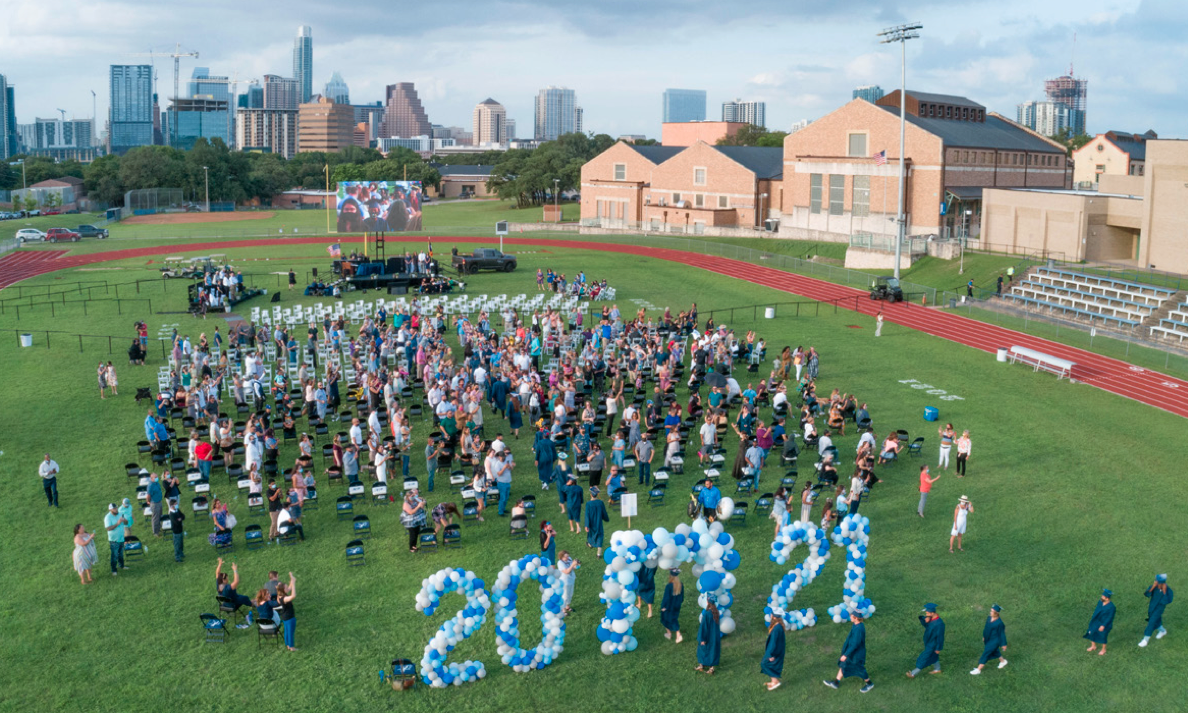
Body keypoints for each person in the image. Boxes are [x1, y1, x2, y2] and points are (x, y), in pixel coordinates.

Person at [823, 611, 873, 693]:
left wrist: (846, 654)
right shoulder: (856, 625)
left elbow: (855, 644)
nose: (850, 617)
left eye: (851, 616)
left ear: (856, 618)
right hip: (852, 652)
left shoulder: (859, 629)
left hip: (857, 654)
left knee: (860, 669)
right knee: (844, 664)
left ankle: (869, 683)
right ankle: (836, 683)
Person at [907, 603, 945, 677]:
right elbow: (927, 626)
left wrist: (938, 648)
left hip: (933, 644)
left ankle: (912, 673)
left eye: (927, 612)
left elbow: (940, 637)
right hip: (928, 642)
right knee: (933, 656)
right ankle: (937, 669)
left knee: (924, 658)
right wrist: (925, 620)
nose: (926, 613)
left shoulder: (939, 624)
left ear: (932, 613)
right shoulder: (930, 619)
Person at [215, 558, 254, 628]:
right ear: (223, 580)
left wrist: (220, 564)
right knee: (245, 598)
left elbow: (217, 573)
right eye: (227, 578)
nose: (228, 579)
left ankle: (253, 601)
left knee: (242, 597)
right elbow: (236, 581)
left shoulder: (218, 584)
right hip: (233, 604)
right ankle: (253, 604)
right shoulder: (227, 588)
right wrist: (235, 570)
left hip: (225, 605)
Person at [971, 604, 1008, 674]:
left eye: (992, 611)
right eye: (991, 611)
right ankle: (1003, 661)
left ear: (996, 613)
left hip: (995, 640)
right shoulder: (989, 618)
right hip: (988, 639)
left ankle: (978, 669)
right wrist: (984, 636)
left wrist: (1004, 644)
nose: (990, 612)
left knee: (986, 652)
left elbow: (1002, 634)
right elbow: (986, 628)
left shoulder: (999, 623)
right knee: (994, 651)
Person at [1140, 574, 1174, 647]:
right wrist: (1152, 587)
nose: (1155, 582)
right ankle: (1162, 631)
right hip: (1152, 607)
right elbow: (1147, 594)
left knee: (1152, 622)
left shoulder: (1168, 590)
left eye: (1156, 581)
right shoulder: (1154, 587)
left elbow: (1166, 601)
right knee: (1156, 620)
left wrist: (1164, 592)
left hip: (1159, 608)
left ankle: (1146, 639)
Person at [1084, 589, 1116, 655]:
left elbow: (1109, 617)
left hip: (1104, 623)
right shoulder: (1100, 602)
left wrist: (1103, 625)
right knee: (1092, 632)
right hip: (1096, 621)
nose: (1101, 598)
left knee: (1103, 636)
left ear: (1107, 598)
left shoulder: (1112, 607)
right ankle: (1093, 646)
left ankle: (1103, 650)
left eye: (1103, 597)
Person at [761, 611, 786, 691]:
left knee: (765, 663)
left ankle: (775, 682)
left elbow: (773, 642)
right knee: (771, 664)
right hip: (777, 650)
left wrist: (770, 655)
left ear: (773, 616)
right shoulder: (778, 625)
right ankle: (773, 681)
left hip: (774, 651)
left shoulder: (776, 629)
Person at [695, 601, 722, 674]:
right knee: (713, 651)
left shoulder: (707, 614)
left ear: (707, 602)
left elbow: (704, 627)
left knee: (702, 650)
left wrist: (702, 638)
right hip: (714, 636)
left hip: (707, 636)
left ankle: (701, 665)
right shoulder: (716, 613)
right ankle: (711, 668)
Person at [584, 487, 610, 556]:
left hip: (591, 523)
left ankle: (590, 544)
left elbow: (587, 515)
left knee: (591, 534)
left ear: (591, 495)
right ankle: (599, 553)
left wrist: (586, 525)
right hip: (598, 522)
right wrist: (606, 518)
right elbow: (604, 512)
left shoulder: (588, 504)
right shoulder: (600, 502)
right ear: (597, 494)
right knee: (599, 535)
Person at [660, 569, 685, 643]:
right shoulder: (680, 584)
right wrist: (679, 603)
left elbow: (666, 598)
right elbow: (682, 597)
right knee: (674, 618)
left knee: (665, 619)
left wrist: (663, 606)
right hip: (676, 606)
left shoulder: (669, 586)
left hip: (669, 606)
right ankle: (670, 633)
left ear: (670, 576)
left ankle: (677, 634)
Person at [103, 503, 127, 576]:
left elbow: (126, 523)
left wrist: (125, 520)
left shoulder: (120, 514)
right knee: (114, 555)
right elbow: (108, 528)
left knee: (121, 554)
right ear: (110, 509)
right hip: (114, 540)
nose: (116, 509)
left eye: (116, 508)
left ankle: (121, 566)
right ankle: (114, 570)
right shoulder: (108, 517)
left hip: (121, 538)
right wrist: (118, 523)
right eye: (114, 508)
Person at [401, 488, 427, 553]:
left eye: (414, 495)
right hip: (410, 522)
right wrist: (418, 506)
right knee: (412, 534)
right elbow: (411, 512)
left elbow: (423, 504)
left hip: (417, 520)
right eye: (412, 496)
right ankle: (411, 548)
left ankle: (414, 546)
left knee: (416, 533)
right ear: (408, 497)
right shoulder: (406, 504)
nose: (413, 497)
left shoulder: (415, 500)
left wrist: (422, 501)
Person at [277, 572, 298, 651]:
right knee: (290, 632)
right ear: (283, 590)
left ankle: (288, 645)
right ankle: (291, 647)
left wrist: (292, 580)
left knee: (286, 631)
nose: (288, 588)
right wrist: (294, 584)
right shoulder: (284, 599)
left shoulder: (279, 596)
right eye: (286, 588)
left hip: (284, 617)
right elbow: (293, 595)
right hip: (290, 618)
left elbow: (289, 588)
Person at [147, 471, 164, 536]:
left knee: (160, 516)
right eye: (155, 477)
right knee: (155, 518)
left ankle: (159, 528)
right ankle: (155, 532)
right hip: (154, 503)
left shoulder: (156, 483)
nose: (157, 478)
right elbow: (148, 495)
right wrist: (148, 501)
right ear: (151, 478)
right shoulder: (150, 485)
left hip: (159, 502)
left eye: (157, 477)